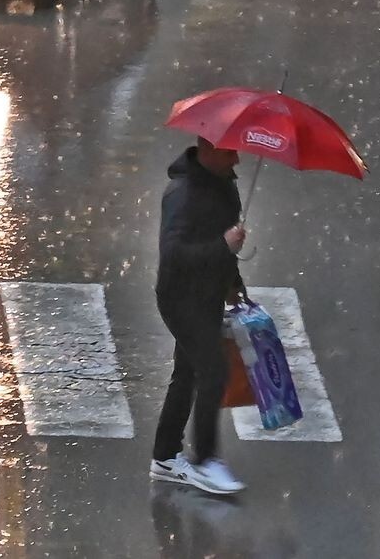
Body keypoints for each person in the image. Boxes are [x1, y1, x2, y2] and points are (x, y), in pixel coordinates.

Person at [149, 137, 248, 495]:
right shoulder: (182, 194)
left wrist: (232, 280)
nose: (236, 159)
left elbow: (222, 247)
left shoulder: (224, 187)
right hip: (181, 299)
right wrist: (223, 247)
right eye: (228, 152)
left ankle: (164, 457)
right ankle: (205, 461)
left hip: (207, 297)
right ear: (206, 149)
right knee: (213, 370)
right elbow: (173, 255)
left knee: (188, 373)